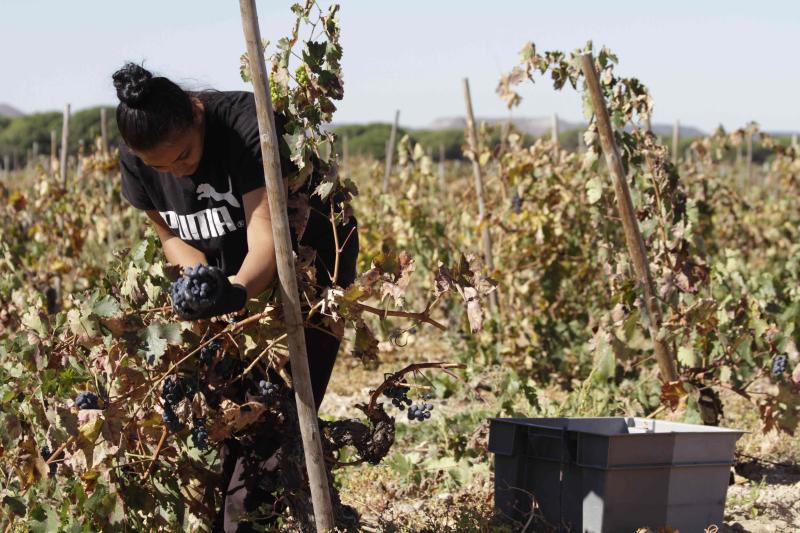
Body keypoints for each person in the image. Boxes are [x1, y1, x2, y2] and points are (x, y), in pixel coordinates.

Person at [112, 62, 358, 532]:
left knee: (272, 420)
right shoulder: (139, 159)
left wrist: (237, 291)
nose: (177, 173)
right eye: (161, 167)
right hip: (233, 267)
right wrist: (205, 289)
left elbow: (268, 237)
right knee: (231, 422)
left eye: (183, 157)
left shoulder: (246, 124)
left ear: (196, 115)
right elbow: (172, 239)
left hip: (307, 265)